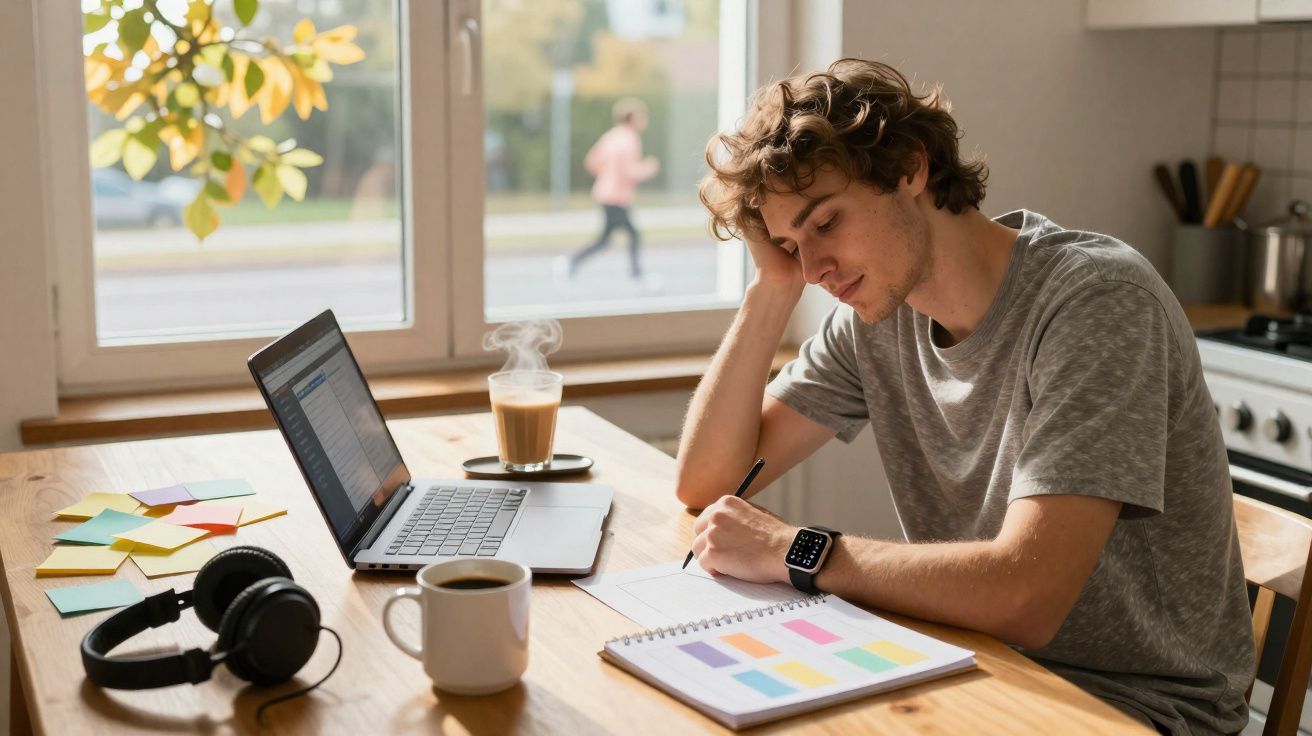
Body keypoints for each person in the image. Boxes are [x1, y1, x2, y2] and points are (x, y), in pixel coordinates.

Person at [676, 58, 1254, 736]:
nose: (813, 269)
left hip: (1135, 709)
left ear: (911, 168)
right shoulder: (875, 318)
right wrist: (770, 288)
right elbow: (707, 480)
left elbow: (1025, 594)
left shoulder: (1097, 303)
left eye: (825, 223)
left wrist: (794, 549)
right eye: (787, 244)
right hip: (976, 664)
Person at [560, 97, 661, 288]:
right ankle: (635, 275)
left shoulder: (612, 136)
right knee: (630, 235)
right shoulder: (630, 140)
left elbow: (591, 161)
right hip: (616, 196)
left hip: (605, 193)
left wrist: (607, 175)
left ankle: (571, 263)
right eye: (641, 117)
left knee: (608, 239)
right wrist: (649, 168)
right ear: (631, 119)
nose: (644, 121)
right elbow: (630, 172)